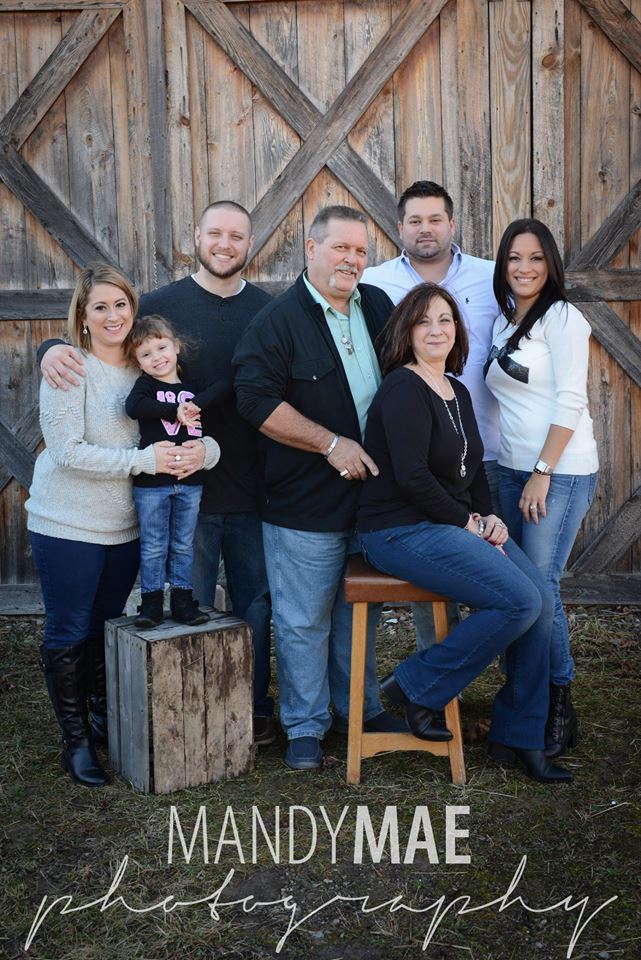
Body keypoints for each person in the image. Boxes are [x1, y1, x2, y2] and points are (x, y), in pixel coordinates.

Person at [37, 202, 276, 746]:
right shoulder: (133, 324)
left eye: (236, 235)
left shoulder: (256, 316)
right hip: (122, 503)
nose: (224, 243)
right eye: (214, 232)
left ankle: (239, 710)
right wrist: (50, 348)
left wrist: (207, 450)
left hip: (195, 498)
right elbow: (96, 360)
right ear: (197, 235)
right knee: (129, 616)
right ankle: (125, 731)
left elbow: (205, 408)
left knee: (242, 607)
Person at [357, 282, 571, 784]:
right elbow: (412, 478)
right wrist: (467, 522)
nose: (436, 330)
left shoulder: (456, 389)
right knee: (518, 601)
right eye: (424, 321)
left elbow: (473, 470)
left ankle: (519, 735)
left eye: (445, 320)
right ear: (407, 332)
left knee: (540, 600)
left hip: (451, 523)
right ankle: (415, 685)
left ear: (457, 329)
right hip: (398, 529)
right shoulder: (402, 388)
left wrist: (488, 516)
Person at [26, 265, 218, 787]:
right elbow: (66, 453)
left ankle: (101, 717)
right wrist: (144, 461)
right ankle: (75, 743)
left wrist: (206, 451)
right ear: (82, 317)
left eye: (121, 305)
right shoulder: (69, 368)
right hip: (67, 522)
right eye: (100, 307)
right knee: (69, 630)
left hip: (127, 526)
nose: (113, 316)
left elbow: (190, 423)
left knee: (104, 626)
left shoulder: (148, 367)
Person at [233, 205, 406, 772]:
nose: (352, 260)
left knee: (359, 612)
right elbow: (255, 402)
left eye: (360, 251)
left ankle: (359, 709)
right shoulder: (279, 321)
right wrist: (331, 444)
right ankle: (304, 726)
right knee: (303, 619)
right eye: (341, 248)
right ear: (311, 249)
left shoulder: (376, 305)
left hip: (373, 498)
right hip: (302, 501)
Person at [362, 180, 500, 649]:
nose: (426, 229)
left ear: (452, 223)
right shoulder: (374, 283)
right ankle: (433, 672)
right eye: (415, 220)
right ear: (399, 227)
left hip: (482, 450)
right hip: (412, 457)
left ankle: (497, 675)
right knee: (442, 582)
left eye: (435, 219)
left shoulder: (491, 277)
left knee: (501, 579)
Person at [485, 219, 599, 759]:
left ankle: (558, 700)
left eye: (535, 258)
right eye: (514, 258)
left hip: (558, 472)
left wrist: (543, 470)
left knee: (541, 585)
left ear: (550, 264)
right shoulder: (505, 320)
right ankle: (522, 699)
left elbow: (571, 400)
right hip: (510, 468)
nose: (524, 267)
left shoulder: (563, 318)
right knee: (518, 585)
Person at [125, 314, 221, 628]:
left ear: (176, 347)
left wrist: (203, 441)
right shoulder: (146, 387)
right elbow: (133, 407)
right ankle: (151, 604)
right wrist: (174, 411)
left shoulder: (193, 390)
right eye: (146, 354)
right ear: (138, 362)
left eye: (162, 347)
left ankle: (182, 601)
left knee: (183, 543)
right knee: (154, 544)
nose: (156, 357)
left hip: (191, 483)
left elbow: (224, 388)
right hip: (152, 484)